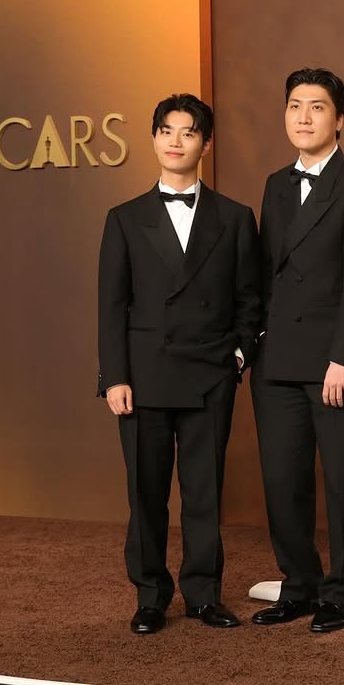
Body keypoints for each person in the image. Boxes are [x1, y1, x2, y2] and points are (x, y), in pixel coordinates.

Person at [97, 93, 260, 635]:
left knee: (204, 492)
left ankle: (203, 594)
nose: (175, 141)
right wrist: (115, 377)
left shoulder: (235, 217)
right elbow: (111, 305)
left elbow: (250, 298)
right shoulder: (124, 219)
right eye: (166, 130)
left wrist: (238, 355)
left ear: (205, 145)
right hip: (143, 377)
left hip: (210, 373)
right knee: (145, 494)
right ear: (153, 138)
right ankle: (150, 596)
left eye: (188, 132)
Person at [249, 68, 344, 633]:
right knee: (283, 481)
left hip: (335, 360)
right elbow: (265, 273)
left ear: (340, 118)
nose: (303, 117)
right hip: (278, 360)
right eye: (295, 106)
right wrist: (257, 343)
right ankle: (298, 585)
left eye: (317, 107)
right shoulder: (275, 185)